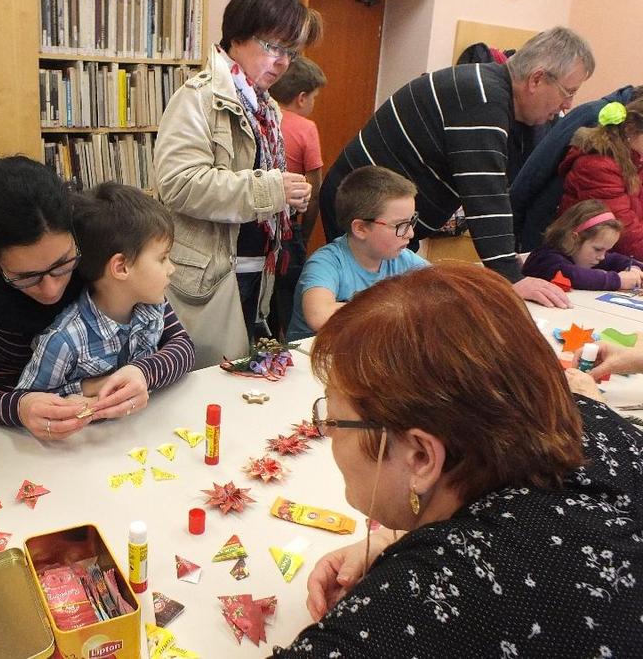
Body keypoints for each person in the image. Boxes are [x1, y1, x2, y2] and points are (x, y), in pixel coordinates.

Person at [272, 264, 642, 657]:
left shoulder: (446, 591)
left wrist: (416, 566)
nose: (326, 431)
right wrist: (394, 538)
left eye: (332, 418)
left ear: (421, 456)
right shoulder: (589, 421)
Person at [318, 26, 596, 309]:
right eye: (568, 92)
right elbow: (487, 198)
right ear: (536, 79)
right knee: (365, 307)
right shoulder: (483, 97)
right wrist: (510, 278)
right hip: (365, 214)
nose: (568, 105)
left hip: (393, 224)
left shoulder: (497, 96)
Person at [0, 155, 195, 440]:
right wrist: (18, 406)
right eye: (26, 276)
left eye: (63, 264)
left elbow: (181, 345)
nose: (52, 290)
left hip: (88, 426)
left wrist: (143, 373)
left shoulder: (92, 233)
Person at [153, 0, 322, 368]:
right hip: (207, 278)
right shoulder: (200, 97)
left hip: (255, 271)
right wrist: (271, 190)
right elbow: (178, 184)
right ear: (239, 35)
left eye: (290, 53)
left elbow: (261, 183)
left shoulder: (265, 106)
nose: (281, 62)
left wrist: (287, 193)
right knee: (199, 386)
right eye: (273, 46)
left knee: (238, 381)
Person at [17, 183, 182, 398]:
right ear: (121, 267)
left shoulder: (153, 308)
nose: (172, 269)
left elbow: (183, 346)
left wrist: (144, 373)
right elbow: (28, 402)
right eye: (162, 258)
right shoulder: (64, 341)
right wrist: (87, 387)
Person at [285, 166, 427, 340]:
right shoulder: (327, 262)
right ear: (360, 228)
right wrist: (394, 306)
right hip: (311, 359)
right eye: (400, 225)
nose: (410, 234)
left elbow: (443, 289)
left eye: (411, 221)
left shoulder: (403, 259)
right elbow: (318, 315)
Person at [511, 84, 641, 251]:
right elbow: (535, 170)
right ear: (631, 127)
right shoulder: (596, 123)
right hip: (550, 238)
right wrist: (513, 226)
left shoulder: (634, 153)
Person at [269, 56, 327, 339]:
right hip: (288, 228)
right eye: (314, 98)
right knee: (289, 295)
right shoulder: (306, 128)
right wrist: (306, 232)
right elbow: (315, 190)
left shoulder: (261, 118)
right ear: (302, 98)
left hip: (256, 224)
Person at [557, 99, 643, 258]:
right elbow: (624, 232)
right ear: (631, 130)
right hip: (589, 260)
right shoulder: (598, 165)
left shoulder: (636, 159)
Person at [522, 199, 643, 290]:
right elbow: (573, 276)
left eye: (606, 251)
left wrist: (634, 268)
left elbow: (615, 259)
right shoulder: (546, 258)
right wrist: (618, 281)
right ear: (574, 238)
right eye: (598, 249)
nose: (602, 256)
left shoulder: (584, 255)